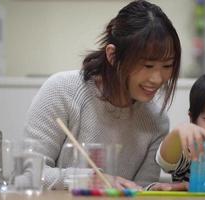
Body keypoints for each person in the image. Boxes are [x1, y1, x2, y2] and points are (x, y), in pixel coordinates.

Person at [23, 0, 181, 190]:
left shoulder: (156, 121)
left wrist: (152, 190)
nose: (157, 78)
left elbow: (137, 190)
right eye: (147, 66)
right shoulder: (61, 90)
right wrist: (90, 180)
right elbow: (29, 175)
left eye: (167, 66)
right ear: (112, 56)